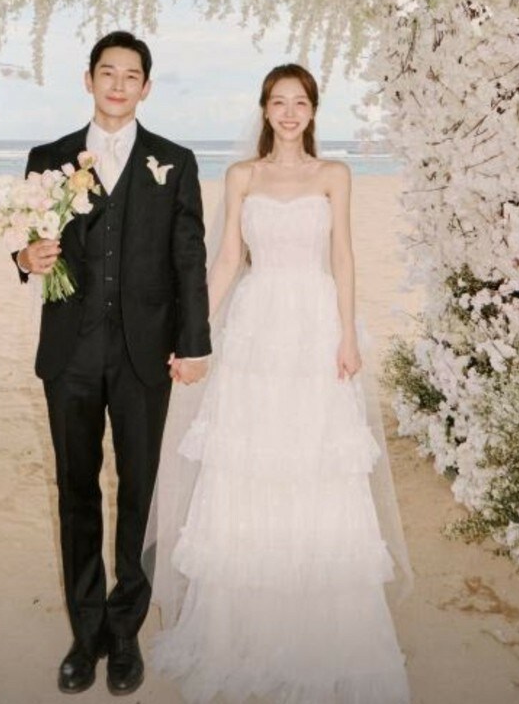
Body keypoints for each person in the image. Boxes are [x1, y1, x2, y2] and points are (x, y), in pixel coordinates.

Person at [150, 63, 411, 704]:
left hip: (316, 327)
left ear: (313, 111)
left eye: (300, 103)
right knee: (250, 459)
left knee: (315, 461)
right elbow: (227, 261)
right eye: (278, 102)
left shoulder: (334, 174)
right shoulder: (243, 175)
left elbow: (343, 255)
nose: (289, 112)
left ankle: (322, 631)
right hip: (256, 327)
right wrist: (193, 335)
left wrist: (347, 335)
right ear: (264, 110)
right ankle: (242, 632)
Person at [14, 31, 211, 696]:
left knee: (139, 491)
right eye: (108, 72)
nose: (119, 84)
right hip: (68, 354)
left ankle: (125, 632)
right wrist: (25, 258)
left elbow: (189, 258)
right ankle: (86, 632)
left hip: (143, 355)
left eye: (131, 75)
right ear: (89, 80)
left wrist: (194, 342)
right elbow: (25, 241)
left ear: (146, 88)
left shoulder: (174, 162)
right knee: (76, 491)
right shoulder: (47, 159)